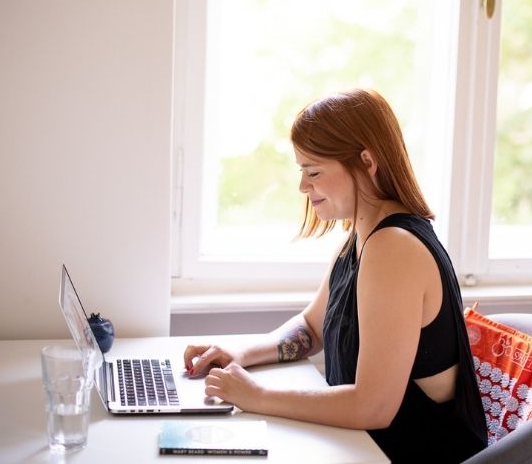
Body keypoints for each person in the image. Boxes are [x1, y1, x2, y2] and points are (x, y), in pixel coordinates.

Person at [184, 88, 488, 462]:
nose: (302, 186)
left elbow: (373, 407)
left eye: (313, 171)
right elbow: (311, 329)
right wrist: (239, 353)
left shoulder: (395, 248)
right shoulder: (360, 239)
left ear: (366, 161)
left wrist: (256, 396)